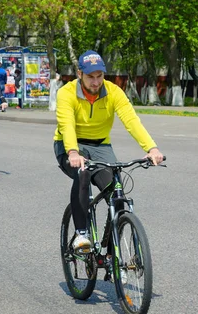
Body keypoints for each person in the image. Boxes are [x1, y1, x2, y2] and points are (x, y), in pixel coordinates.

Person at [54, 50, 164, 252]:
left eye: (99, 76)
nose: (96, 82)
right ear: (80, 74)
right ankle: (81, 234)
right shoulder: (66, 93)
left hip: (101, 146)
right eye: (90, 77)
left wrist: (151, 148)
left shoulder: (113, 92)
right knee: (83, 173)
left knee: (117, 194)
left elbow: (131, 120)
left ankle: (114, 257)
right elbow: (67, 125)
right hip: (71, 146)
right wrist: (72, 152)